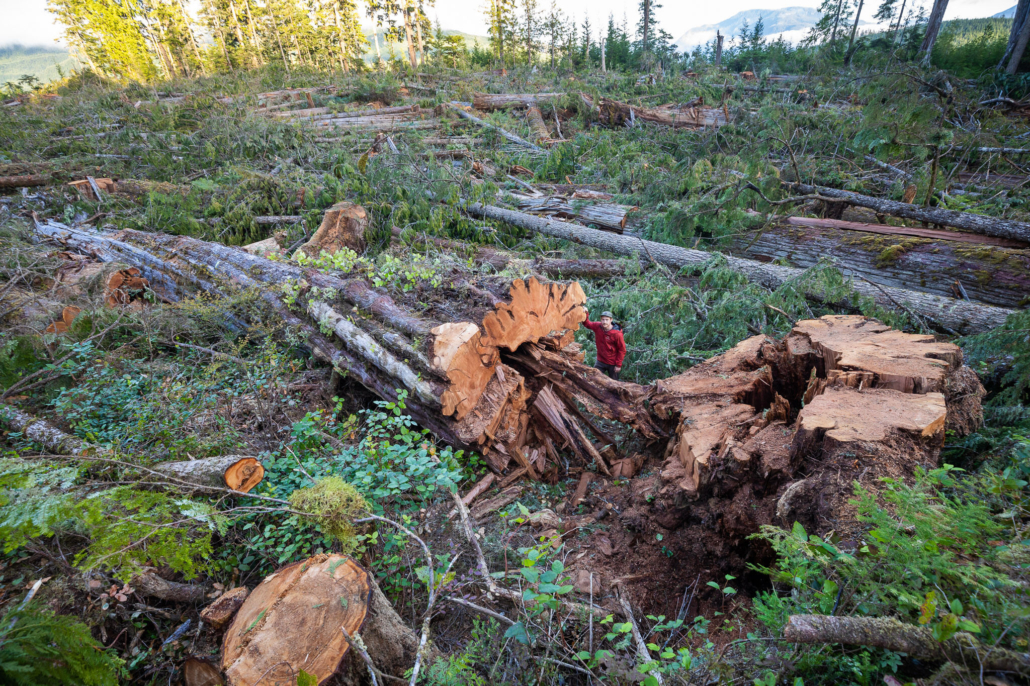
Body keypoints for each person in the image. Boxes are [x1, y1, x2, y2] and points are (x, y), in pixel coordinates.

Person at [582, 309, 626, 379]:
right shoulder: (598, 326)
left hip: (613, 363)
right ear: (600, 319)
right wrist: (585, 313)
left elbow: (622, 350)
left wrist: (618, 365)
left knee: (614, 384)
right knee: (594, 379)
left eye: (606, 320)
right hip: (600, 361)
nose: (604, 322)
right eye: (603, 319)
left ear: (611, 320)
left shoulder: (617, 334)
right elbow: (587, 324)